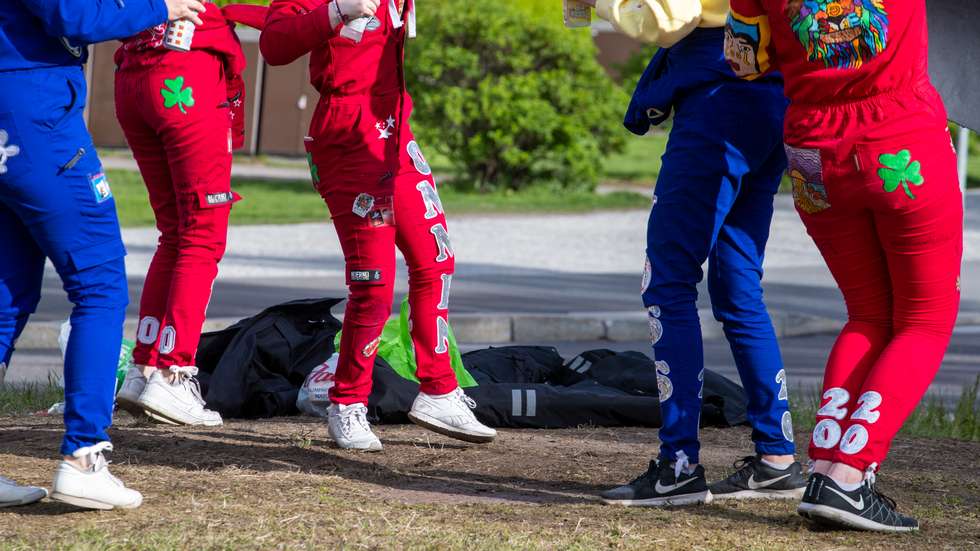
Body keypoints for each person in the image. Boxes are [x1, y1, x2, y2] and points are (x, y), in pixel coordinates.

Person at [726, 0, 962, 533]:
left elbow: (744, 61)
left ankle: (824, 470)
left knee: (867, 314)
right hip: (901, 137)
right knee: (925, 320)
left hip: (812, 149)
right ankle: (850, 475)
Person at [581, 0, 806, 506]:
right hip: (773, 90)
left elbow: (669, 17)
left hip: (718, 94)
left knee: (667, 283)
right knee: (738, 286)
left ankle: (679, 465)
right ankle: (776, 458)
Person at [259, 0, 496, 451]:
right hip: (349, 144)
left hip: (394, 135)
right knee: (375, 284)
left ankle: (439, 390)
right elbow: (274, 44)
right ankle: (347, 402)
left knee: (435, 260)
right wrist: (337, 10)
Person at [0, 0, 207, 509]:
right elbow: (72, 16)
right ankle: (83, 456)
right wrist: (160, 7)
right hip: (36, 114)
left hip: (14, 107)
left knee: (7, 295)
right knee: (100, 285)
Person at [112, 4, 266, 427]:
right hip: (185, 75)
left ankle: (145, 367)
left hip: (135, 73)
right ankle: (173, 373)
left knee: (176, 232)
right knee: (201, 235)